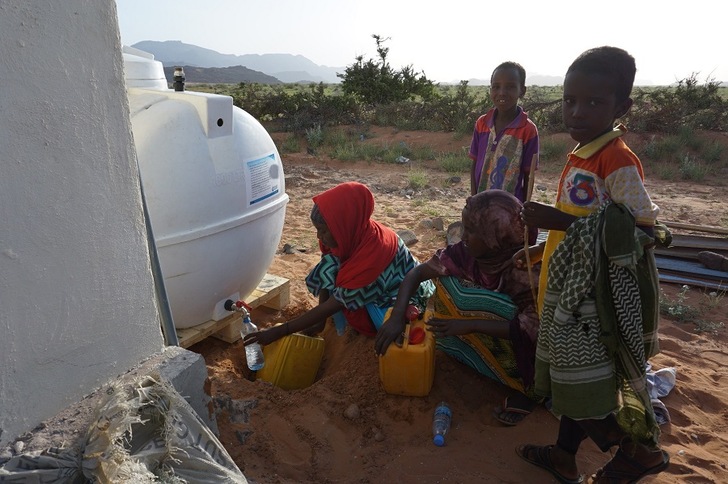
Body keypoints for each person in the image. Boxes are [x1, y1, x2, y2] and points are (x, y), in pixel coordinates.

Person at [515, 46, 670, 483]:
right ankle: (564, 457)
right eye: (569, 100)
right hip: (570, 287)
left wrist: (557, 220)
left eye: (594, 103)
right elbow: (589, 222)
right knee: (575, 380)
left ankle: (637, 452)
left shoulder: (616, 160)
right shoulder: (583, 152)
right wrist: (540, 246)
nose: (577, 112)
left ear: (622, 107)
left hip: (593, 300)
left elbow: (642, 229)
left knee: (573, 383)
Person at [375, 189, 541, 426]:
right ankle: (465, 352)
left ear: (495, 237)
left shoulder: (526, 271)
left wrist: (470, 324)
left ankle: (527, 391)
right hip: (470, 334)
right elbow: (417, 273)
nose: (462, 237)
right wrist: (397, 315)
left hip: (526, 349)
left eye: (471, 231)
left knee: (494, 307)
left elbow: (536, 330)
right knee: (450, 283)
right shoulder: (466, 254)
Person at [243, 181, 434, 347]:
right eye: (317, 230)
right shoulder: (351, 235)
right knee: (332, 267)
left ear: (342, 225)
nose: (319, 237)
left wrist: (280, 331)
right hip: (370, 285)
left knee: (385, 327)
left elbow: (335, 304)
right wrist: (319, 322)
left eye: (323, 231)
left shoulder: (372, 253)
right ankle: (333, 325)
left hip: (401, 293)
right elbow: (328, 269)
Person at [469, 61, 539, 201]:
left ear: (522, 91)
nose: (502, 93)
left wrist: (522, 209)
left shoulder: (528, 130)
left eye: (510, 87)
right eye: (496, 87)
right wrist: (473, 198)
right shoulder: (482, 124)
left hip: (510, 209)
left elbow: (528, 175)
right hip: (481, 203)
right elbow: (474, 164)